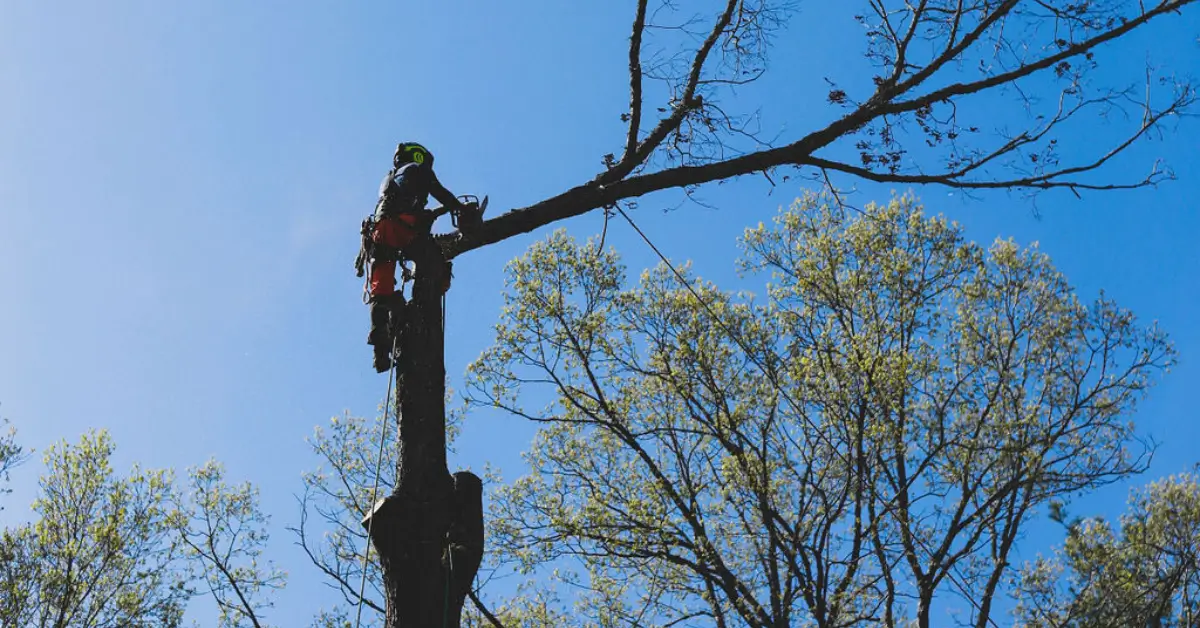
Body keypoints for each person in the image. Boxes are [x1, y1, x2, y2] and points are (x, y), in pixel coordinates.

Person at [358, 141, 468, 373]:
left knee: (381, 292)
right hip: (403, 227)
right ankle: (432, 287)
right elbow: (439, 191)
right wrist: (459, 208)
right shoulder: (416, 170)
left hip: (380, 234)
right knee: (433, 258)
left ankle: (380, 352)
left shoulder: (390, 179)